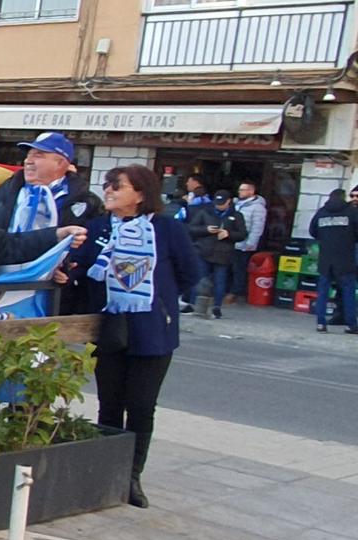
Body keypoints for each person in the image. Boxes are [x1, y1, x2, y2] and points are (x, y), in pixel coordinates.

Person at [72, 165, 200, 507]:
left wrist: (157, 302)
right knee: (109, 404)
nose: (109, 191)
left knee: (141, 407)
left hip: (153, 330)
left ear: (141, 193)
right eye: (107, 186)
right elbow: (80, 270)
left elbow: (190, 273)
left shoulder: (167, 229)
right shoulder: (97, 228)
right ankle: (104, 474)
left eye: (118, 186)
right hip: (110, 328)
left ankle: (131, 476)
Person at [0, 131, 99, 307]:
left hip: (51, 294)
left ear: (60, 163)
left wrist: (70, 269)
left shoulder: (87, 202)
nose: (28, 161)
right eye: (28, 155)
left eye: (38, 155)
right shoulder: (5, 190)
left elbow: (90, 251)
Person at [186, 189, 245, 318]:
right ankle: (191, 304)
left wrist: (229, 234)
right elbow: (191, 228)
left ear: (228, 201)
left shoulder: (237, 215)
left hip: (223, 254)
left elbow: (242, 234)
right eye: (217, 203)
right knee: (199, 278)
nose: (219, 206)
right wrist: (205, 229)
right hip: (203, 250)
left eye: (222, 203)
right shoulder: (205, 212)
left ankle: (216, 307)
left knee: (220, 281)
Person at [310, 189, 357, 333]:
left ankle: (320, 324)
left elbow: (313, 231)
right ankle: (351, 325)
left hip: (325, 259)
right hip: (345, 258)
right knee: (348, 292)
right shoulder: (352, 212)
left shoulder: (321, 212)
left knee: (323, 292)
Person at [232, 180, 268, 306]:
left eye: (242, 190)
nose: (239, 192)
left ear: (251, 191)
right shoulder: (236, 204)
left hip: (245, 244)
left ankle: (238, 293)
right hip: (232, 242)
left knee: (240, 269)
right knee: (233, 268)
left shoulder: (258, 208)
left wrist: (251, 243)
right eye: (240, 190)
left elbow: (257, 227)